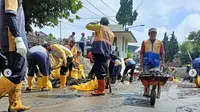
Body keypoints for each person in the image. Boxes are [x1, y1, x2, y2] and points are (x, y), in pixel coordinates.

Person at [0, 0, 31, 111]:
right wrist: (18, 38)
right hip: (12, 43)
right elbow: (10, 14)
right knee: (16, 75)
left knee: (15, 74)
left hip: (11, 42)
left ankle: (15, 103)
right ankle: (15, 103)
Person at [86, 17, 115, 96]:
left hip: (99, 51)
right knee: (102, 69)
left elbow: (88, 26)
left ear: (101, 22)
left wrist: (95, 22)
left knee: (99, 70)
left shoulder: (100, 27)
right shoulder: (111, 33)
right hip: (106, 53)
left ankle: (100, 90)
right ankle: (102, 87)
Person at [140, 28, 165, 98]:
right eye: (151, 33)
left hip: (156, 63)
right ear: (149, 34)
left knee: (157, 78)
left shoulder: (160, 43)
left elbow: (162, 53)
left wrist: (163, 63)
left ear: (156, 34)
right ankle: (146, 91)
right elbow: (141, 53)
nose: (152, 34)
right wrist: (141, 63)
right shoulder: (144, 42)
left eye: (154, 33)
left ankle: (157, 92)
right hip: (146, 62)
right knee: (146, 77)